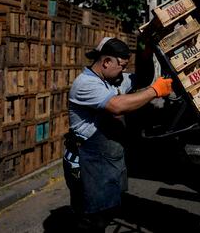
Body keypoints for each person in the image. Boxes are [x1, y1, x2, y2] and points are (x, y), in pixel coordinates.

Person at [63, 37, 173, 232]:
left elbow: (142, 78)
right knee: (90, 219)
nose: (123, 71)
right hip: (88, 163)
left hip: (105, 163)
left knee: (105, 214)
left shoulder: (110, 79)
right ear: (106, 62)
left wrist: (145, 52)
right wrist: (154, 91)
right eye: (121, 66)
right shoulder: (86, 84)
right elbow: (117, 106)